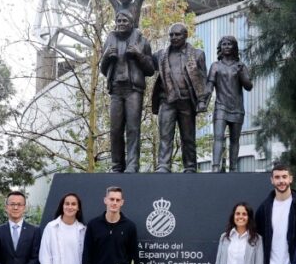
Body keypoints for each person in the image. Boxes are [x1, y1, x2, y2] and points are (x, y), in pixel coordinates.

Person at [100, 10, 155, 173]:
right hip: (116, 89)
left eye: (125, 21)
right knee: (115, 130)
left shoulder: (142, 42)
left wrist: (139, 55)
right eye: (119, 21)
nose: (121, 23)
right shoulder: (110, 41)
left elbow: (151, 69)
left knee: (133, 128)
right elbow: (103, 70)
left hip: (133, 90)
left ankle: (132, 165)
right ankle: (117, 165)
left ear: (132, 23)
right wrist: (105, 58)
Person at [151, 23, 209, 173]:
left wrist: (202, 100)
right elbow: (146, 65)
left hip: (187, 102)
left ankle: (190, 166)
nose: (174, 37)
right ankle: (163, 165)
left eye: (177, 34)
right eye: (171, 35)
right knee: (165, 135)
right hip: (167, 100)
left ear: (185, 35)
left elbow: (203, 80)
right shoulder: (160, 55)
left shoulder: (197, 54)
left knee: (188, 137)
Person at [206, 35, 253, 172]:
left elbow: (249, 86)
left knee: (234, 140)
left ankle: (233, 168)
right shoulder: (215, 66)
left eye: (229, 44)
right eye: (224, 44)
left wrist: (242, 74)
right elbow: (209, 85)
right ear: (220, 47)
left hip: (237, 107)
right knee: (218, 137)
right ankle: (215, 167)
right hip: (221, 106)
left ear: (234, 47)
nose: (226, 46)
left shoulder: (240, 66)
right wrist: (203, 101)